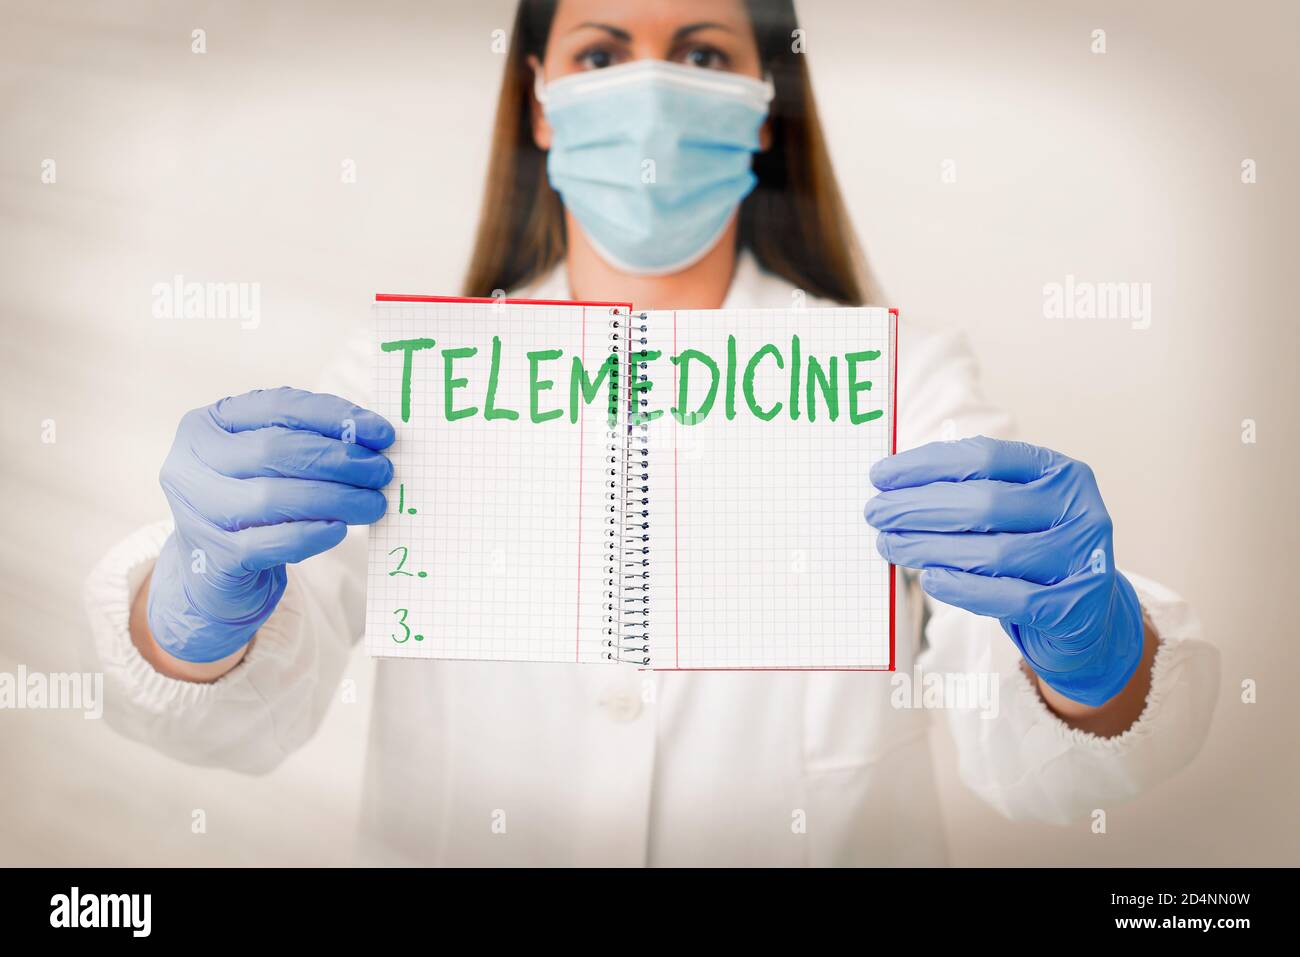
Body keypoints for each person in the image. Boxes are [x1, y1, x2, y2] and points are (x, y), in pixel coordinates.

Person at [84, 0, 1219, 865]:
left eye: (704, 54)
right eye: (600, 51)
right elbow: (223, 728)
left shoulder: (903, 376)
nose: (650, 90)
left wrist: (1084, 654)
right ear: (538, 99)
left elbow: (1048, 767)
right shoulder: (397, 375)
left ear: (765, 100)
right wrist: (194, 597)